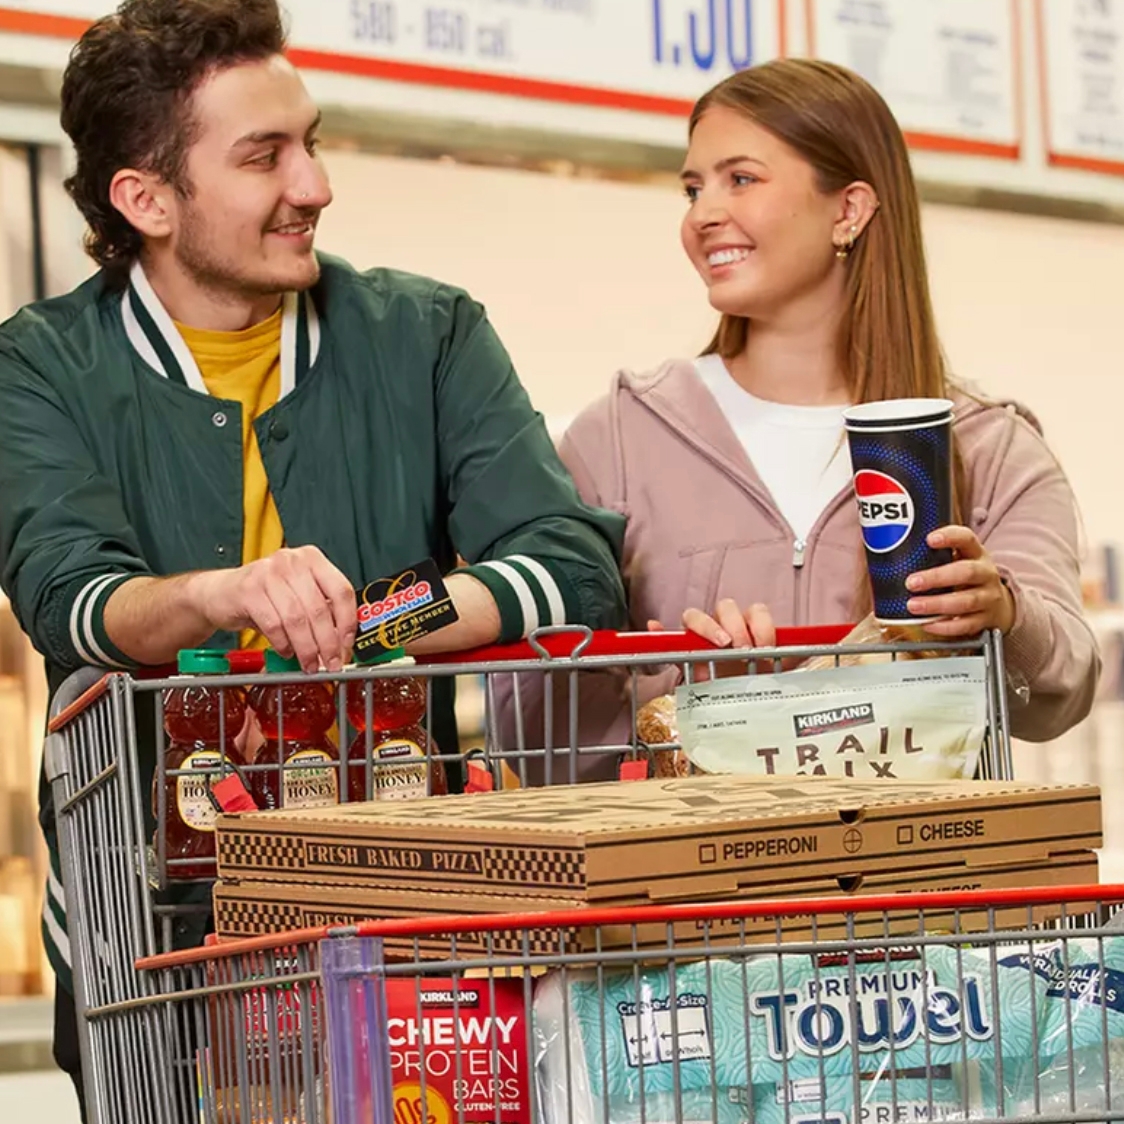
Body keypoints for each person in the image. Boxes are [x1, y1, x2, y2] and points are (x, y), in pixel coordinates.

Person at [0, 0, 625, 1113]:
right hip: (150, 933)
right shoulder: (40, 368)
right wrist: (219, 594)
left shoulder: (426, 335)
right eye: (264, 155)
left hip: (395, 902)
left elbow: (569, 560)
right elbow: (72, 594)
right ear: (143, 198)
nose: (315, 184)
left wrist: (369, 623)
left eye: (312, 140)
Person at [501, 58, 1098, 780]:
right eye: (693, 188)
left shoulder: (988, 446)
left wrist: (1002, 613)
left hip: (911, 886)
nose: (701, 214)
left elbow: (1060, 693)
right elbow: (524, 710)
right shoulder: (619, 438)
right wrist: (688, 709)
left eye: (740, 179)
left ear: (848, 210)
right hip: (698, 886)